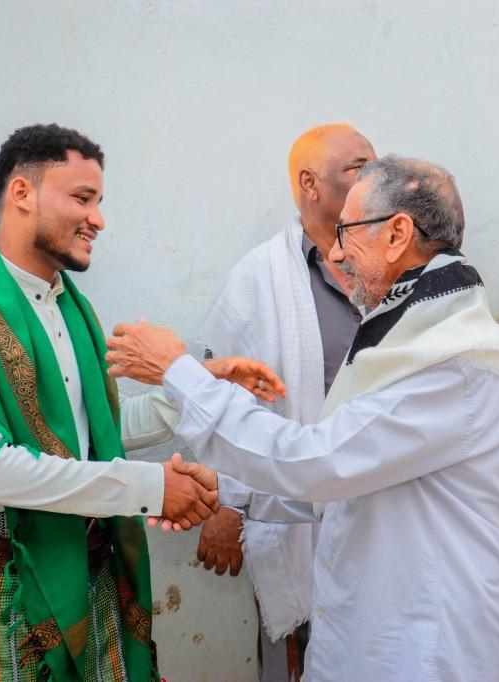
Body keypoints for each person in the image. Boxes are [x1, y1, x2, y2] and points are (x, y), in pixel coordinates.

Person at [107, 155, 499, 681]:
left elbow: (320, 464)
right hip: (378, 626)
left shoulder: (449, 355)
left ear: (397, 234)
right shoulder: (407, 327)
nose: (337, 251)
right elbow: (351, 473)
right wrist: (228, 489)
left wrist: (177, 372)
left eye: (347, 231)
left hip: (425, 645)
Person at [0, 123, 283, 682]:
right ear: (22, 193)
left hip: (89, 567)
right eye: (82, 198)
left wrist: (196, 385)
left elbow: (95, 433)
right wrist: (151, 489)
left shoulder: (67, 305)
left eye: (98, 201)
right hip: (0, 584)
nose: (97, 219)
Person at [196, 122, 374, 681]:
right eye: (358, 168)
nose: (375, 179)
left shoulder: (392, 261)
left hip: (382, 500)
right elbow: (220, 401)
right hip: (299, 512)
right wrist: (225, 506)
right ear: (309, 184)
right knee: (299, 657)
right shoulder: (258, 278)